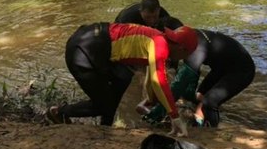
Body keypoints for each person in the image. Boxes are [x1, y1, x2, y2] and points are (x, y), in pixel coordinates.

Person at [46, 23, 200, 137]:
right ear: (181, 49)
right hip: (83, 51)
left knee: (123, 79)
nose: (184, 59)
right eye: (186, 55)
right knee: (103, 105)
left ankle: (104, 130)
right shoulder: (160, 46)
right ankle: (58, 112)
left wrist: (150, 101)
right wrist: (175, 117)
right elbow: (158, 81)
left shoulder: (158, 38)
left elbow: (150, 78)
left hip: (95, 44)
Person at [142, 29, 255, 128]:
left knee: (209, 102)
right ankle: (199, 119)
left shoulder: (195, 52)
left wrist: (155, 114)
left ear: (182, 49)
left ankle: (211, 132)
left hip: (242, 71)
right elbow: (189, 87)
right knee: (199, 95)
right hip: (221, 68)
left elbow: (178, 86)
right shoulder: (183, 38)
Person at [115, 0, 183, 30]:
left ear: (159, 10)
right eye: (147, 17)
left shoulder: (163, 14)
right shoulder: (128, 17)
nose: (151, 21)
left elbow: (175, 28)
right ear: (140, 11)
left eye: (155, 17)